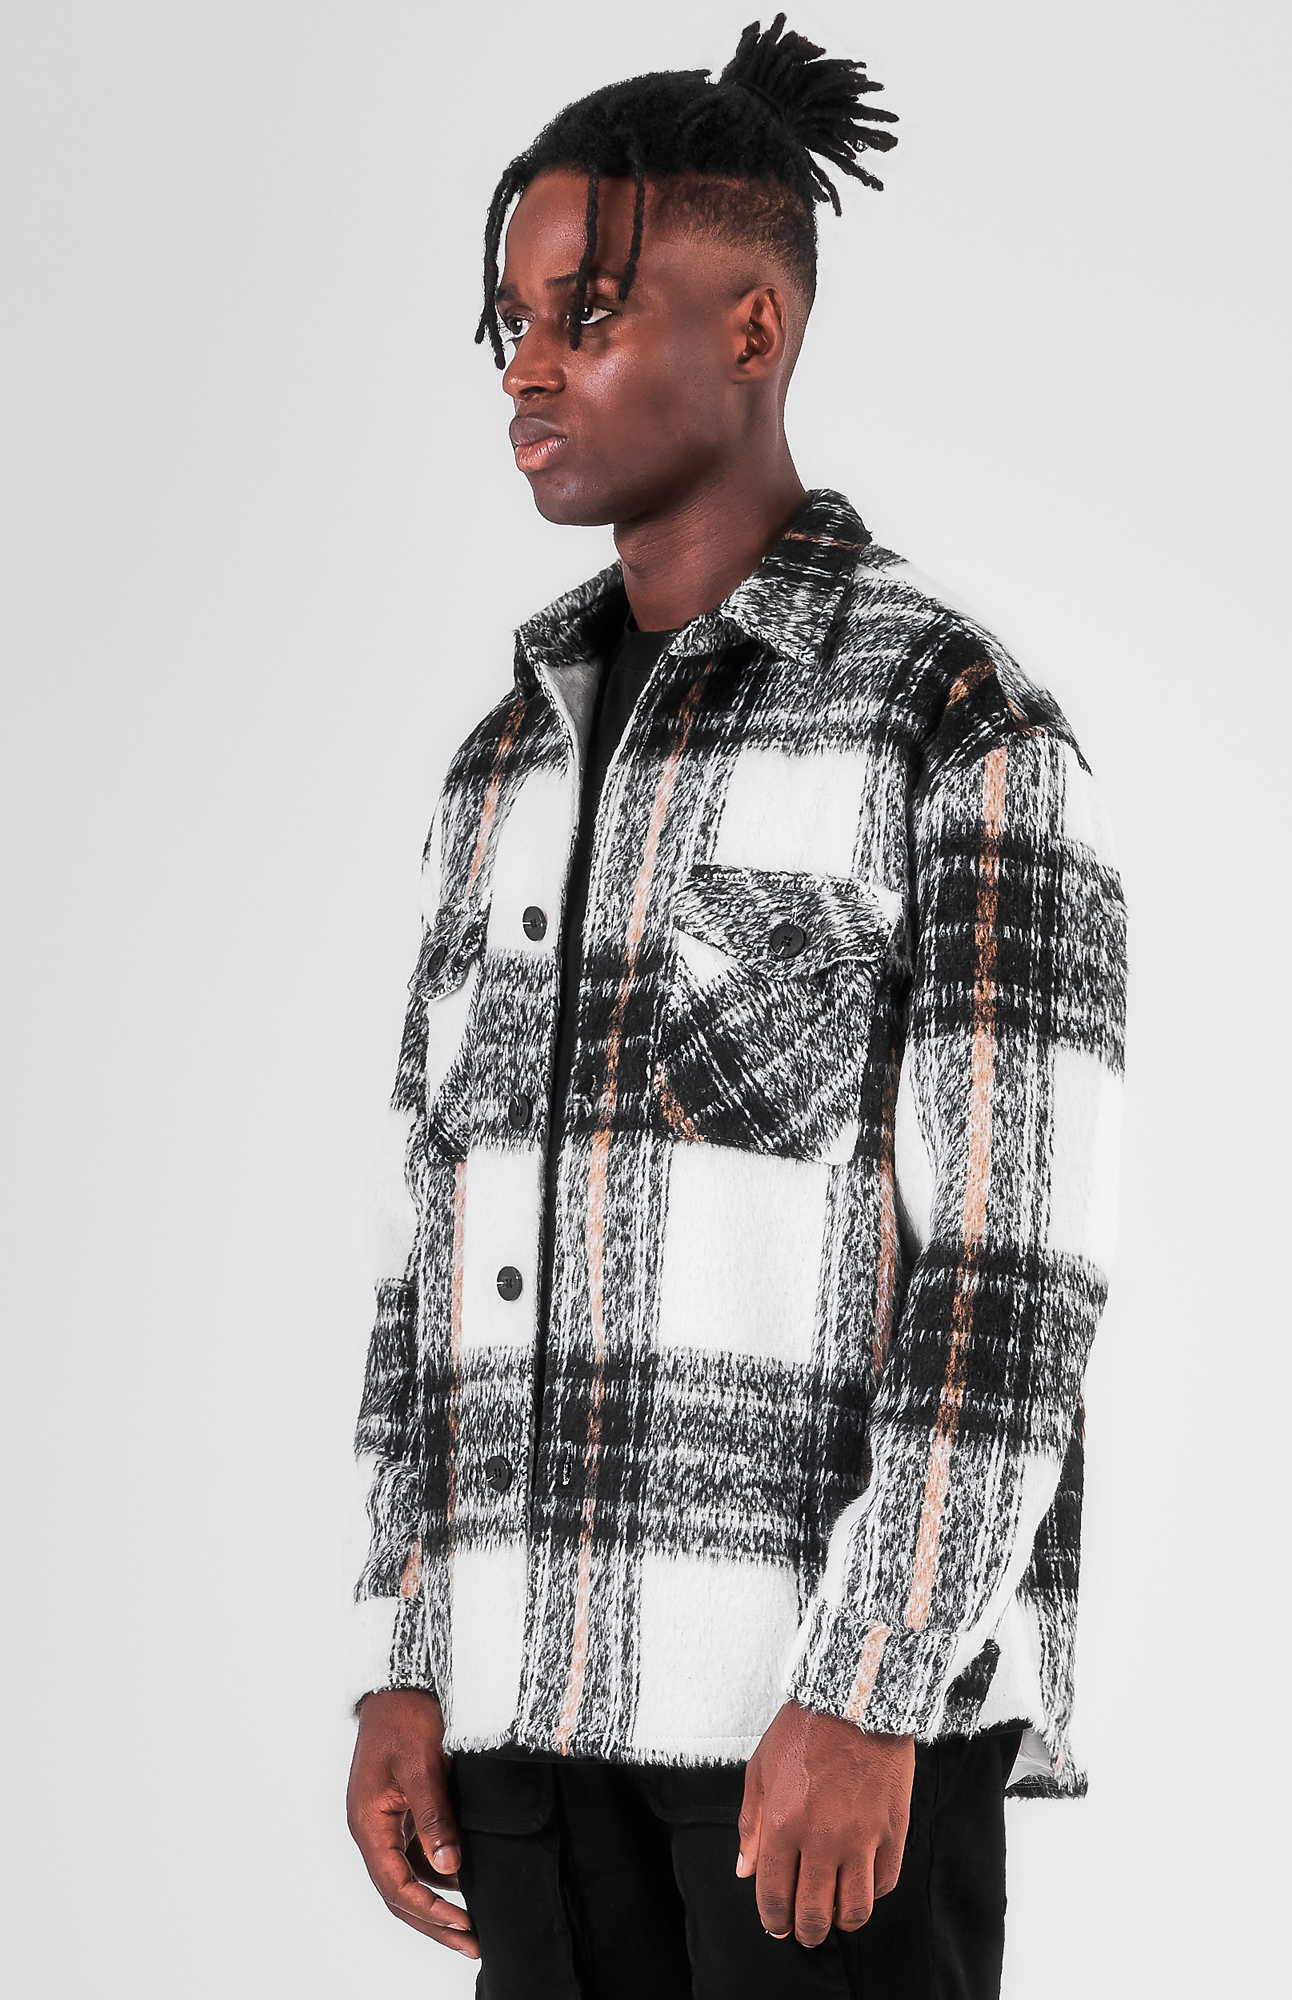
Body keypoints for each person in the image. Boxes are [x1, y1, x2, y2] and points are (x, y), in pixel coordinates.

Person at [343, 17, 1127, 1998]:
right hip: (523, 1736)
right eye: (510, 321)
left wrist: (873, 1682)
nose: (527, 366)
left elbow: (1012, 1271)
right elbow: (427, 1250)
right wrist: (408, 1653)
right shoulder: (497, 770)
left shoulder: (950, 723)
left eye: (586, 311)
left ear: (753, 326)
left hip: (810, 1735)